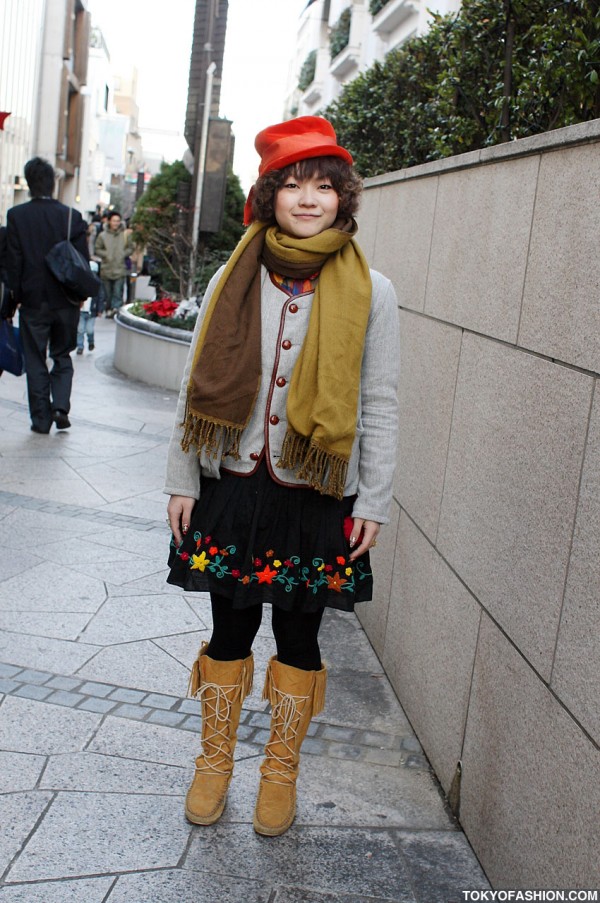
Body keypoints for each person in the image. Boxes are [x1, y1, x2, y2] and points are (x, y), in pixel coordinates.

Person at [164, 116, 400, 837]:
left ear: (343, 199)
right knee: (229, 630)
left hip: (315, 496)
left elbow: (379, 399)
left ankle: (280, 771)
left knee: (300, 639)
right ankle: (214, 762)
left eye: (324, 186)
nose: (309, 197)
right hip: (232, 484)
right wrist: (181, 477)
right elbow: (192, 382)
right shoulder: (232, 276)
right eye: (294, 183)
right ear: (269, 195)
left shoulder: (374, 290)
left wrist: (376, 499)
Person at [6, 157, 88, 432]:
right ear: (53, 183)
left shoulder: (17, 216)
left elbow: (13, 262)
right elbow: (82, 263)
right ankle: (60, 406)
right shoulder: (71, 218)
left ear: (28, 183)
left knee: (35, 358)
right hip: (66, 301)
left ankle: (41, 419)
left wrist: (13, 298)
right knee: (63, 354)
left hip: (32, 301)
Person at [93, 209, 133, 317]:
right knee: (107, 293)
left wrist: (123, 254)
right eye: (114, 221)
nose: (116, 223)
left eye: (118, 221)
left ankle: (116, 309)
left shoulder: (125, 235)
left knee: (117, 291)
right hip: (106, 268)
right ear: (109, 221)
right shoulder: (102, 235)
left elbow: (130, 248)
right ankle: (109, 308)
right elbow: (97, 249)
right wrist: (106, 254)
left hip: (120, 268)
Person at [76, 260, 104, 354]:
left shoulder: (98, 284)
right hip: (81, 310)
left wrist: (99, 310)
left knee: (89, 329)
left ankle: (91, 342)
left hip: (91, 311)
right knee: (80, 329)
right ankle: (80, 346)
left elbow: (101, 297)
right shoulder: (81, 283)